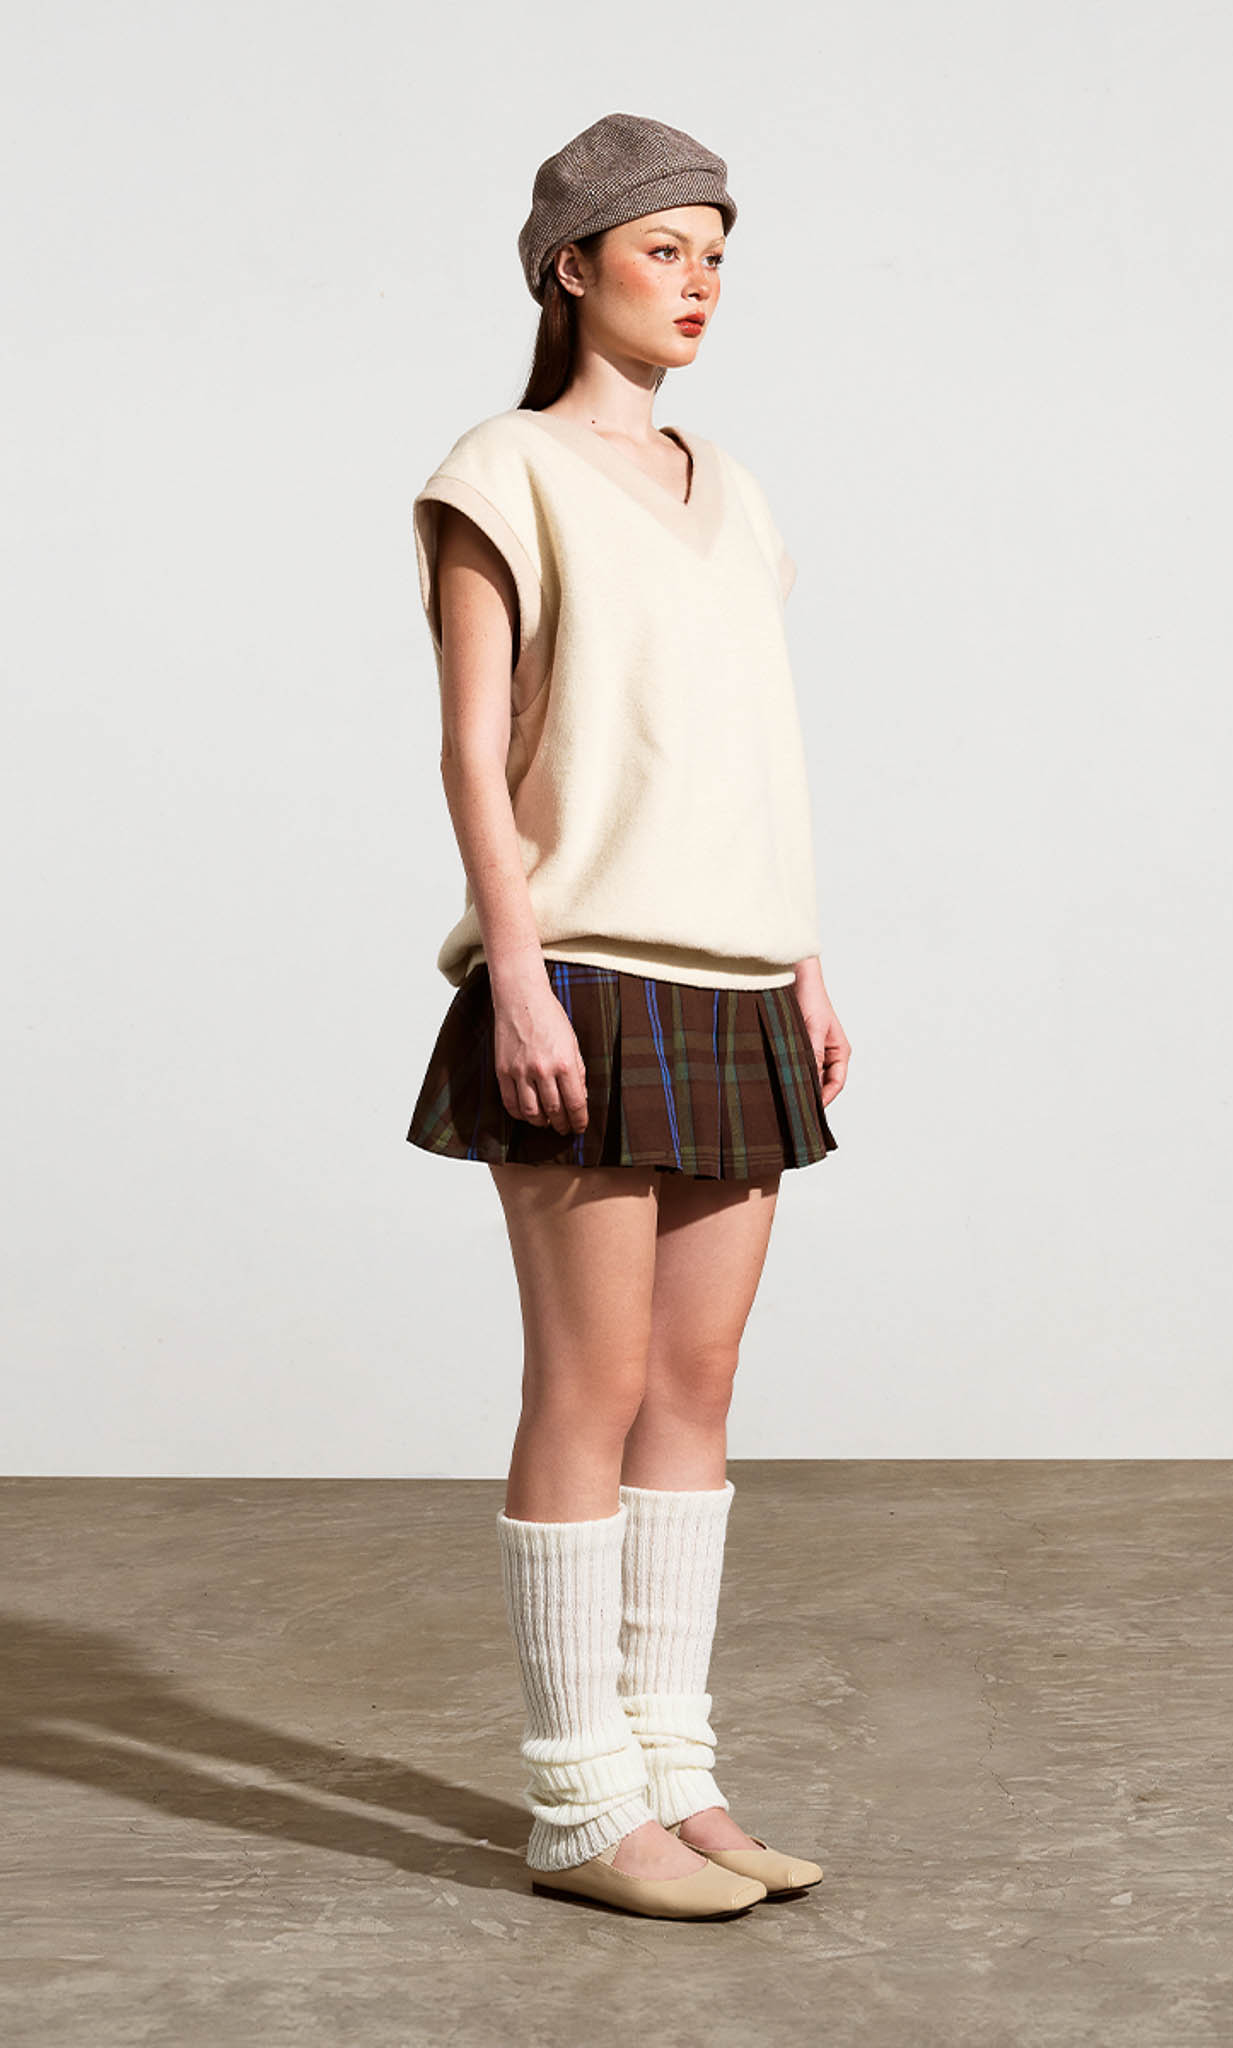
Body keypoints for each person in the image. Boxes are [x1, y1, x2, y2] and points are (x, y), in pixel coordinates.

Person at [405, 112, 850, 1921]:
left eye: (718, 254)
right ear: (570, 265)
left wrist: (803, 957)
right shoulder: (501, 470)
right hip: (584, 968)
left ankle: (675, 1769)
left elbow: (749, 750)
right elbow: (471, 748)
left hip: (739, 974)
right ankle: (579, 1805)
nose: (700, 283)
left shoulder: (734, 488)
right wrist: (514, 971)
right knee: (586, 1385)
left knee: (697, 1386)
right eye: (665, 249)